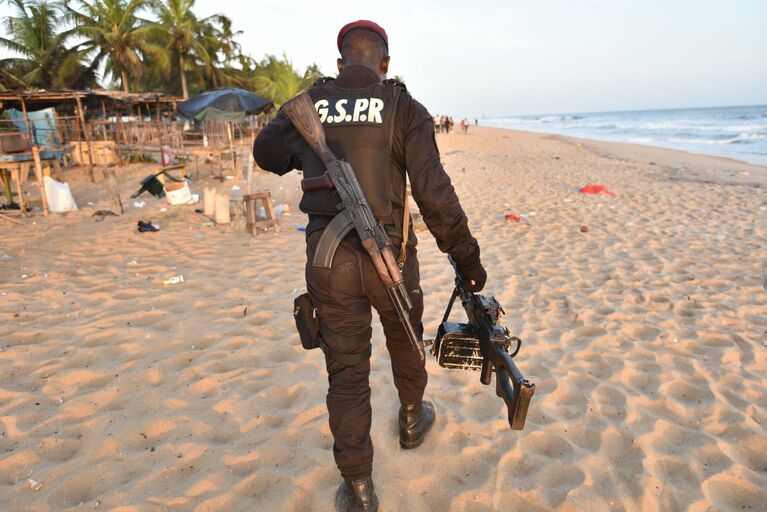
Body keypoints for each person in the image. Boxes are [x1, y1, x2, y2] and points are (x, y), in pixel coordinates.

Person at [253, 19, 486, 512]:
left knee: (347, 374)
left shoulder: (313, 101)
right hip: (394, 261)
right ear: (384, 65)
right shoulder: (404, 107)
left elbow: (267, 154)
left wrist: (307, 123)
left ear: (341, 65)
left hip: (328, 263)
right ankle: (410, 417)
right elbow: (434, 194)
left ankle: (359, 486)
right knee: (406, 338)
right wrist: (466, 256)